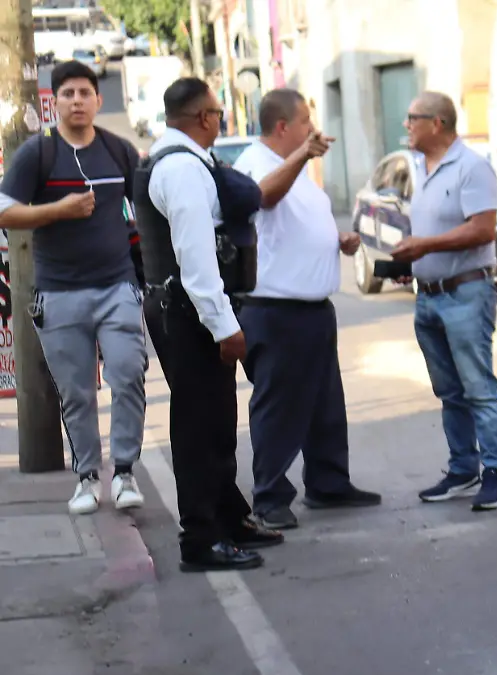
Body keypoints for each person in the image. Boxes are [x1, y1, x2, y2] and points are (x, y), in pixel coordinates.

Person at [134, 77, 282, 572]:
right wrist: (224, 326)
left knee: (217, 423)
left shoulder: (181, 161)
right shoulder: (180, 169)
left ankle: (227, 516)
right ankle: (201, 538)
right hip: (189, 313)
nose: (220, 121)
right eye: (219, 113)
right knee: (200, 428)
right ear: (204, 117)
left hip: (185, 309)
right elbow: (195, 258)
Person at [0, 60, 148, 515]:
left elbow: (142, 206)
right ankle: (87, 476)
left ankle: (124, 472)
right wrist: (57, 210)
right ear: (55, 102)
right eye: (68, 94)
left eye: (85, 92)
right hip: (59, 292)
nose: (78, 101)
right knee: (77, 392)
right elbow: (5, 212)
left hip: (117, 286)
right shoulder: (39, 153)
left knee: (127, 374)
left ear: (98, 100)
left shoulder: (119, 151)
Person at [231, 88, 381, 531]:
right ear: (283, 127)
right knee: (279, 406)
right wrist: (301, 157)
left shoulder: (299, 168)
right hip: (276, 310)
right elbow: (263, 199)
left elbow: (295, 224)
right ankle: (270, 497)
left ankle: (328, 481)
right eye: (305, 123)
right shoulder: (255, 165)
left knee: (324, 404)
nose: (312, 130)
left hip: (313, 307)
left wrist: (338, 240)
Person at [389, 91, 497, 511]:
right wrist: (414, 260)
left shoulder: (472, 167)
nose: (406, 125)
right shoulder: (422, 169)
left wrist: (424, 246)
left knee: (479, 389)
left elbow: (482, 230)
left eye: (412, 118)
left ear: (437, 123)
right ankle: (463, 469)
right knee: (450, 393)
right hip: (428, 297)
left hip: (465, 293)